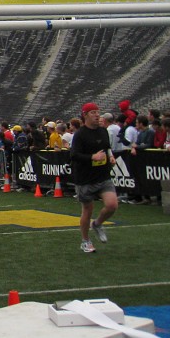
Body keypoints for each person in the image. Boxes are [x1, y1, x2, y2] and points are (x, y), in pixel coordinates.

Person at [69, 102, 118, 254]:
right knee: (87, 210)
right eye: (93, 112)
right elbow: (74, 155)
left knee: (112, 205)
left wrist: (111, 156)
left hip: (103, 176)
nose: (97, 115)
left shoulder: (103, 131)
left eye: (98, 112)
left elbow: (107, 147)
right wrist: (92, 157)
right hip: (85, 178)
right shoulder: (80, 134)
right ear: (85, 115)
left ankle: (97, 224)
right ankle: (85, 240)